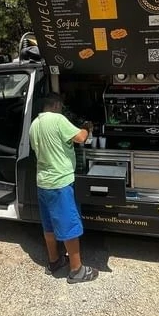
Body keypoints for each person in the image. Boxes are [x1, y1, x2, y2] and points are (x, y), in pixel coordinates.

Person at [28, 92, 99, 283]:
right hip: (60, 182)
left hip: (43, 182)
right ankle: (77, 270)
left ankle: (54, 261)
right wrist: (86, 126)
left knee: (49, 225)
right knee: (69, 225)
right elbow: (80, 138)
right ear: (57, 105)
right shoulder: (58, 119)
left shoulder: (34, 125)